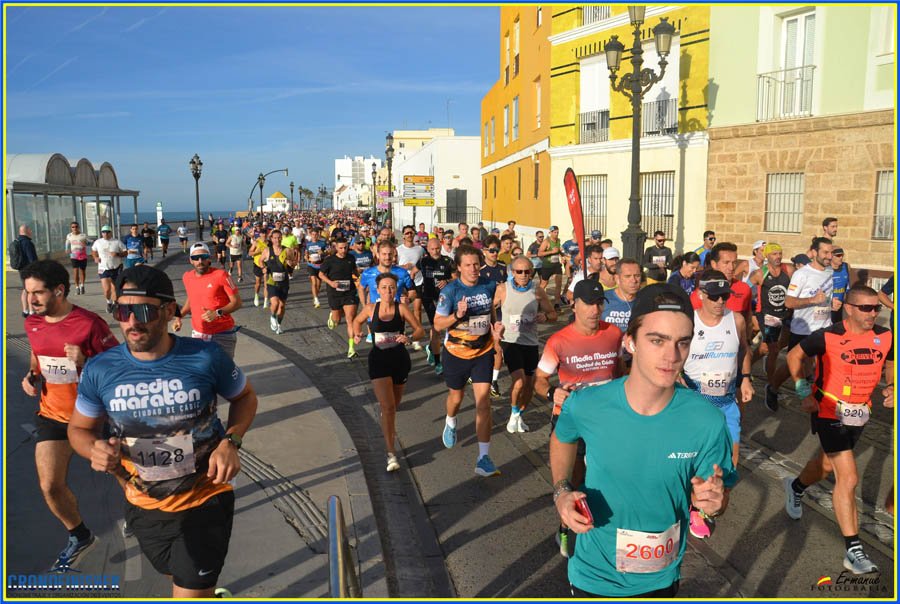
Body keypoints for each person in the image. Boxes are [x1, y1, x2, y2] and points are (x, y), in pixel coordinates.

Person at [68, 265, 259, 598]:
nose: (132, 322)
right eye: (122, 311)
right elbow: (79, 430)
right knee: (174, 570)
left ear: (170, 311)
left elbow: (245, 397)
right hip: (142, 502)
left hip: (205, 498)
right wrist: (92, 449)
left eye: (143, 311)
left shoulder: (205, 356)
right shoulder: (101, 369)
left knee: (188, 588)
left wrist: (231, 441)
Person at [550, 283, 737, 597]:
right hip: (593, 575)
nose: (671, 356)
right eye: (657, 340)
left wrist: (715, 506)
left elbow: (717, 497)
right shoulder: (587, 404)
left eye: (682, 342)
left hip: (660, 579)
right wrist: (561, 491)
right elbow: (562, 439)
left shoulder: (707, 420)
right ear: (630, 342)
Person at [783, 285, 891, 575]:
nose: (873, 313)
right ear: (849, 309)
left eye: (876, 308)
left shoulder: (885, 336)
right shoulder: (828, 336)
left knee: (828, 465)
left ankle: (795, 487)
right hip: (828, 409)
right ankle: (853, 550)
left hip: (860, 411)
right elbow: (794, 356)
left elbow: (891, 362)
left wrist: (892, 385)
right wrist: (803, 391)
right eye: (866, 308)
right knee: (849, 477)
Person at [20, 260, 118, 571]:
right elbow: (37, 356)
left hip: (94, 419)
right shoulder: (32, 323)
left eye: (37, 293)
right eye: (28, 292)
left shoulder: (89, 324)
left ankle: (143, 514)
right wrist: (32, 376)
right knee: (50, 485)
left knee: (127, 479)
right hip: (53, 415)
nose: (31, 299)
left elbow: (118, 370)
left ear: (59, 291)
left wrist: (87, 361)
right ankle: (80, 536)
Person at [536, 279, 624, 557]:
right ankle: (565, 527)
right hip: (572, 421)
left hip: (607, 422)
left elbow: (620, 373)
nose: (595, 310)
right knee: (573, 479)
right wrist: (553, 393)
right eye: (588, 304)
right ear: (575, 305)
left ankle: (602, 530)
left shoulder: (614, 334)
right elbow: (539, 380)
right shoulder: (559, 341)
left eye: (599, 303)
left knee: (608, 477)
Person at [434, 245, 503, 477]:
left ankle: (483, 458)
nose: (473, 269)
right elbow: (437, 324)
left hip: (483, 352)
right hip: (456, 353)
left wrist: (495, 328)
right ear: (459, 267)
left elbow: (490, 312)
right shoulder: (451, 291)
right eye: (468, 265)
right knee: (456, 397)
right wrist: (458, 315)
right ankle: (451, 420)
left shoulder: (488, 285)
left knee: (483, 402)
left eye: (476, 264)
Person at [352, 273, 425, 472]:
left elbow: (420, 330)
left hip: (400, 361)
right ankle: (391, 453)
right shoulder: (370, 308)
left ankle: (387, 427)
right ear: (377, 290)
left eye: (392, 287)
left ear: (396, 289)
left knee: (393, 407)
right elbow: (356, 321)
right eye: (384, 287)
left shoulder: (401, 309)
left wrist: (410, 338)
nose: (388, 291)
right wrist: (357, 333)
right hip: (378, 361)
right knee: (388, 406)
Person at [682, 272, 753, 478]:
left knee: (731, 461)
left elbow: (744, 349)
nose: (720, 301)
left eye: (725, 295)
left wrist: (745, 378)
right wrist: (677, 376)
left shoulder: (736, 320)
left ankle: (721, 495)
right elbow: (674, 354)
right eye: (714, 296)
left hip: (727, 402)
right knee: (695, 460)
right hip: (695, 401)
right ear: (700, 294)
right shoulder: (688, 322)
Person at [495, 256, 557, 433]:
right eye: (519, 271)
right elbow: (489, 309)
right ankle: (514, 412)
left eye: (527, 271)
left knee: (530, 386)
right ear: (512, 272)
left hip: (530, 343)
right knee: (519, 381)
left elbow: (553, 314)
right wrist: (495, 327)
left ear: (532, 272)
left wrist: (545, 316)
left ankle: (518, 414)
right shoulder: (503, 289)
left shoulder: (537, 290)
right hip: (510, 341)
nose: (523, 275)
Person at [767, 238, 835, 395]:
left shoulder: (830, 272)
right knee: (792, 365)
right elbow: (788, 302)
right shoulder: (802, 274)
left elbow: (826, 297)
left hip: (824, 327)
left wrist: (833, 303)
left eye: (831, 252)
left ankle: (815, 396)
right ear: (814, 252)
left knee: (824, 364)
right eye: (825, 252)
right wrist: (812, 300)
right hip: (803, 329)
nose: (829, 256)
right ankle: (772, 388)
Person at [172, 242, 242, 359]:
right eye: (195, 258)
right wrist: (179, 317)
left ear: (209, 258)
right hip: (199, 333)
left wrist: (217, 313)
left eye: (203, 257)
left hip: (222, 334)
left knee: (223, 368)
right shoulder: (187, 277)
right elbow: (192, 299)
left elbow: (237, 303)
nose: (200, 261)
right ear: (191, 260)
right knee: (201, 368)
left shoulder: (221, 275)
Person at [748, 243, 793, 411]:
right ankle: (772, 386)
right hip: (766, 316)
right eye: (774, 254)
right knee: (773, 350)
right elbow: (745, 291)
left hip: (785, 314)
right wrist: (748, 313)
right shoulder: (760, 273)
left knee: (765, 348)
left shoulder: (788, 270)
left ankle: (746, 367)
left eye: (780, 253)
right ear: (767, 256)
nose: (778, 256)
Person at [418, 237, 457, 376]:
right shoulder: (423, 261)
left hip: (445, 298)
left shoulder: (448, 261)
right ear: (428, 249)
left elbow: (456, 277)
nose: (435, 251)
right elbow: (412, 272)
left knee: (446, 328)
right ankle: (438, 362)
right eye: (432, 249)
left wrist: (447, 281)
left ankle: (431, 347)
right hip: (429, 298)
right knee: (436, 328)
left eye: (437, 249)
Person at [320, 237, 361, 359]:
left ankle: (351, 349)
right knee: (337, 320)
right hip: (334, 293)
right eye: (341, 248)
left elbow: (354, 271)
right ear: (336, 248)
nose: (343, 250)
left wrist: (360, 276)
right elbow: (320, 274)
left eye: (345, 248)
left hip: (349, 292)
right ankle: (333, 317)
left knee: (350, 319)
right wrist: (331, 283)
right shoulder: (329, 260)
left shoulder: (351, 258)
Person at [480, 236, 508, 397]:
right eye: (491, 250)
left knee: (498, 347)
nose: (495, 253)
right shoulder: (479, 269)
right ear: (484, 251)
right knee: (480, 346)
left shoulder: (503, 267)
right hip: (481, 313)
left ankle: (494, 380)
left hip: (498, 314)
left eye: (497, 250)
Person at [261, 229, 299, 335]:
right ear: (271, 239)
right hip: (272, 281)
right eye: (275, 238)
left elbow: (293, 264)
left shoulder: (287, 250)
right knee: (275, 303)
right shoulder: (267, 250)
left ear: (282, 238)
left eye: (279, 238)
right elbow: (261, 260)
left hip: (284, 282)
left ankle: (279, 325)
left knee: (282, 306)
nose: (277, 240)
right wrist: (263, 268)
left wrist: (291, 263)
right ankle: (273, 316)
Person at [396, 226, 427, 350]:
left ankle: (416, 338)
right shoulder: (398, 250)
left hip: (418, 281)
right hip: (404, 283)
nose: (409, 235)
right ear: (403, 235)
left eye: (411, 233)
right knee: (403, 310)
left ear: (414, 234)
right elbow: (394, 266)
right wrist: (404, 266)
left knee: (417, 309)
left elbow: (424, 263)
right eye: (407, 233)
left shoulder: (420, 249)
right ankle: (402, 333)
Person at [91, 225, 127, 314]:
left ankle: (115, 304)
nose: (105, 234)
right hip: (103, 268)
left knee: (115, 287)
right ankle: (108, 302)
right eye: (103, 232)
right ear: (101, 233)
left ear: (111, 233)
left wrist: (117, 254)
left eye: (107, 232)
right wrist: (95, 257)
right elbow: (93, 251)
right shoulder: (98, 242)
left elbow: (125, 252)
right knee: (107, 290)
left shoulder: (117, 242)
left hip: (116, 267)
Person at [601, 258, 642, 334]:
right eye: (627, 276)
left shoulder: (646, 300)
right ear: (617, 278)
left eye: (637, 276)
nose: (634, 280)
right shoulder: (602, 299)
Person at [538, 226, 565, 307]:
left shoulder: (558, 240)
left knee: (559, 284)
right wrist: (551, 252)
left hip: (556, 265)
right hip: (547, 266)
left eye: (557, 232)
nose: (556, 234)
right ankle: (537, 301)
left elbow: (558, 250)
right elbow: (539, 253)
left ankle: (557, 303)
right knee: (544, 284)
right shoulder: (546, 241)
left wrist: (562, 256)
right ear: (550, 233)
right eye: (554, 232)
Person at [305, 226, 328, 309]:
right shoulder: (308, 244)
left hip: (320, 265)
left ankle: (315, 297)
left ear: (318, 235)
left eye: (316, 234)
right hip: (311, 265)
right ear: (311, 235)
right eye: (313, 234)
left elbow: (328, 252)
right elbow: (306, 254)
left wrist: (323, 253)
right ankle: (316, 299)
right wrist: (307, 258)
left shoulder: (322, 243)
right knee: (314, 282)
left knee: (318, 285)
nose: (314, 236)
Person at [65, 221, 89, 295]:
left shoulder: (83, 235)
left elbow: (89, 242)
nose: (74, 228)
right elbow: (67, 242)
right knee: (75, 271)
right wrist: (66, 249)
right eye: (73, 227)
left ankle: (82, 285)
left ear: (78, 227)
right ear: (71, 228)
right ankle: (77, 287)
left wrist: (86, 243)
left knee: (82, 271)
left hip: (83, 255)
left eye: (76, 227)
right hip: (74, 255)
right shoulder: (69, 235)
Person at [830, 247, 851, 324]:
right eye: (838, 255)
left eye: (842, 255)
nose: (841, 257)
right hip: (829, 304)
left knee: (837, 325)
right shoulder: (826, 269)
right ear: (831, 256)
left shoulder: (846, 266)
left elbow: (848, 284)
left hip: (840, 303)